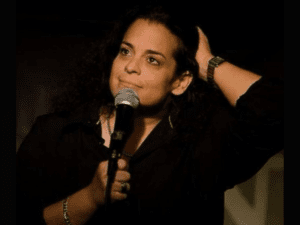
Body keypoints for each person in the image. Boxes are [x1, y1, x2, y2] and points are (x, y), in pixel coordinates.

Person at [16, 3, 284, 224]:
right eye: (125, 51)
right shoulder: (56, 133)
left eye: (152, 59)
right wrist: (89, 198)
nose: (130, 67)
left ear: (180, 82)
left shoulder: (201, 146)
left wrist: (205, 63)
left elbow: (277, 111)